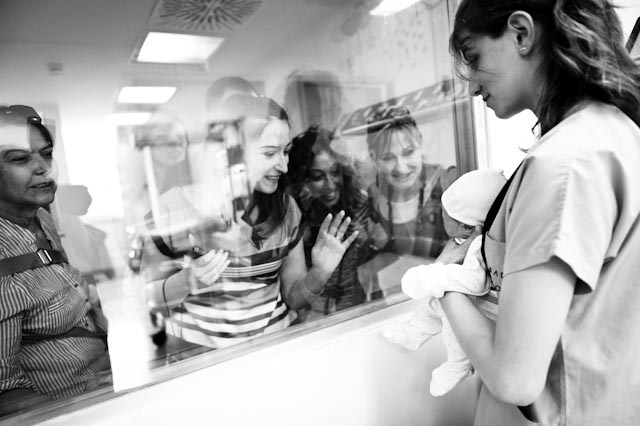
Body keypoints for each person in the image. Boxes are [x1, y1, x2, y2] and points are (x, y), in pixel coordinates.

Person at [442, 1, 640, 425]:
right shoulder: (615, 132)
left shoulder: (563, 165)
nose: (472, 86)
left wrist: (444, 286)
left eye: (474, 58)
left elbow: (515, 378)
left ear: (521, 33)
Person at [145, 96, 358, 348]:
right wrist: (186, 280)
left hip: (275, 350)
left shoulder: (286, 207)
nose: (284, 166)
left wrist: (320, 273)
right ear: (231, 151)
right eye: (269, 153)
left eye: (285, 152)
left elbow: (293, 298)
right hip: (201, 360)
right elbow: (145, 301)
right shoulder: (171, 209)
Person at [0, 105, 111, 410]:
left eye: (47, 154)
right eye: (20, 159)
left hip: (102, 389)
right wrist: (75, 410)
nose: (44, 168)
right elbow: (6, 393)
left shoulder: (41, 219)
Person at [382, 169, 506, 397]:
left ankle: (458, 364)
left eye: (446, 217)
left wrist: (437, 276)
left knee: (451, 321)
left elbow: (476, 282)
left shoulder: (478, 247)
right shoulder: (466, 240)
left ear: (466, 226)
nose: (440, 219)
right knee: (433, 305)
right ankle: (414, 331)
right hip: (472, 303)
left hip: (480, 314)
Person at [288, 126, 372, 321]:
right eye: (317, 177)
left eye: (335, 172)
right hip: (317, 322)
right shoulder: (295, 219)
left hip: (362, 314)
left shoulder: (360, 203)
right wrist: (319, 273)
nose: (330, 184)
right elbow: (294, 299)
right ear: (301, 181)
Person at [366, 106, 456, 259]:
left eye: (408, 152)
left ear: (420, 141)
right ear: (373, 158)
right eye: (387, 158)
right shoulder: (374, 195)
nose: (401, 168)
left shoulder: (449, 184)